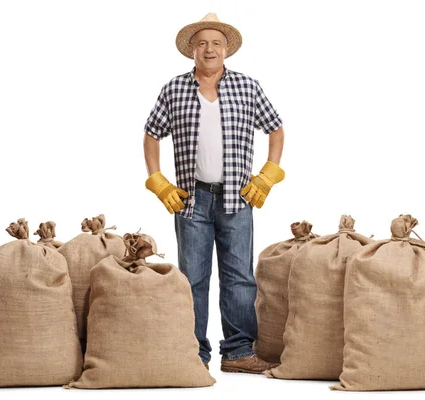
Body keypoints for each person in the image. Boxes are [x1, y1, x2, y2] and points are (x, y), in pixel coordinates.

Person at [143, 13, 285, 374]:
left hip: (238, 197)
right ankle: (192, 353)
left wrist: (268, 174)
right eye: (202, 43)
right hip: (191, 200)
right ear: (192, 49)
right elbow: (151, 134)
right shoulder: (173, 89)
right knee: (192, 278)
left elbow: (276, 129)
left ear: (226, 50)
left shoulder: (247, 87)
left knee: (239, 276)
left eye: (216, 43)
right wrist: (158, 181)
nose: (209, 49)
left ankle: (238, 352)